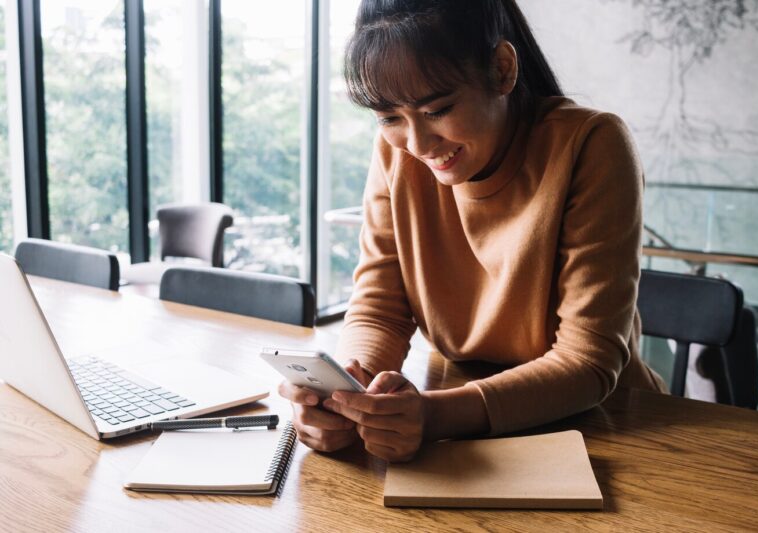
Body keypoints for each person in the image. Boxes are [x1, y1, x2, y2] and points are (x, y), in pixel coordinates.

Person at [279, 0, 668, 462]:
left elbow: (587, 362)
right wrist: (349, 394)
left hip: (606, 429)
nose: (418, 145)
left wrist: (431, 417)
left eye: (438, 109)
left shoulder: (592, 145)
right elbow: (380, 309)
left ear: (502, 70)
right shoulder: (397, 155)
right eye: (388, 118)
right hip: (462, 417)